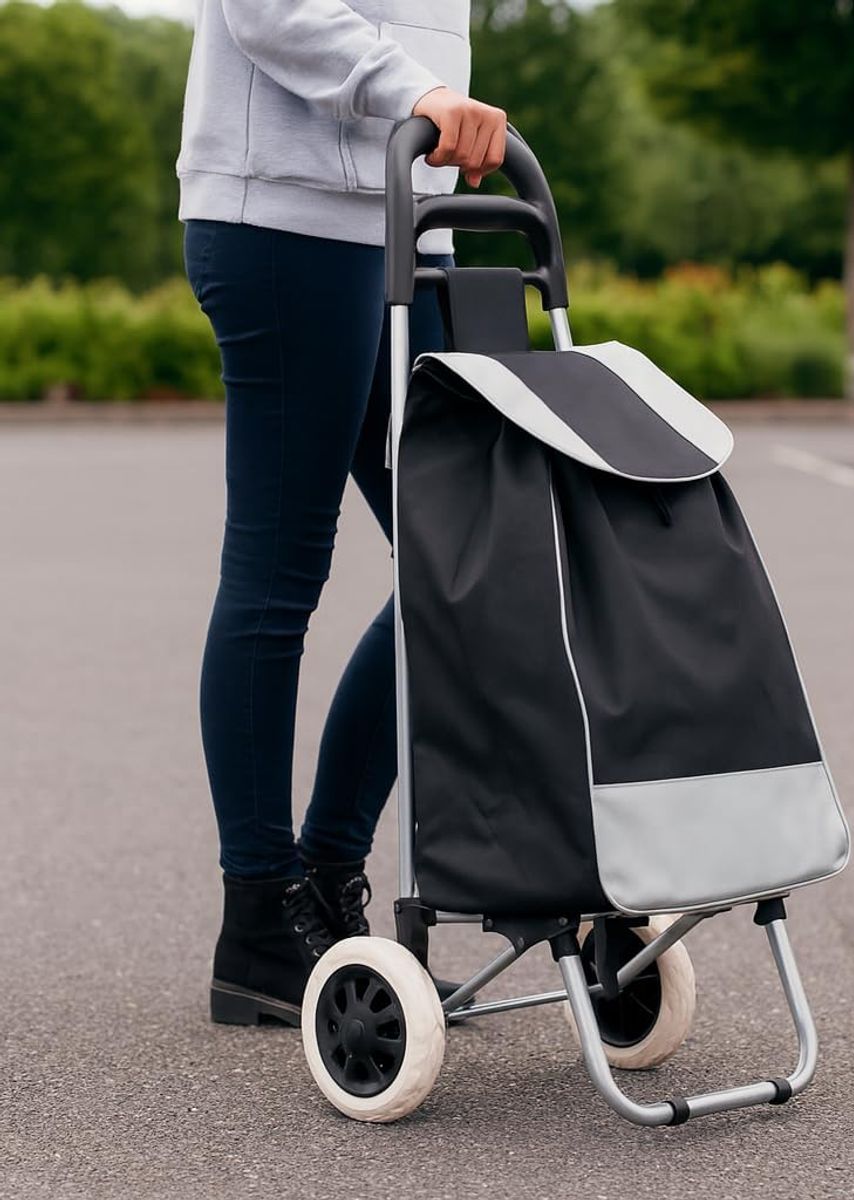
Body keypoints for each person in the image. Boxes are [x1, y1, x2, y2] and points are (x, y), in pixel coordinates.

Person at [177, 0, 506, 1028]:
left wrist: (442, 131)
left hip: (412, 222)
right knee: (280, 576)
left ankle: (324, 883)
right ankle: (258, 919)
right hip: (284, 220)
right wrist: (417, 94)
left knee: (467, 565)